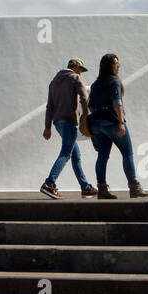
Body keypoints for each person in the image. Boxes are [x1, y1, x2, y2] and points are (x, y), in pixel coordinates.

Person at [88, 53, 148, 199]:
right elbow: (117, 103)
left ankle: (102, 189)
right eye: (116, 63)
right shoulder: (114, 81)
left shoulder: (95, 84)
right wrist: (121, 122)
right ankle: (134, 187)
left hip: (97, 124)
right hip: (112, 122)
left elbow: (90, 105)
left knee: (102, 156)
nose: (119, 65)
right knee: (127, 153)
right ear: (110, 66)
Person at [41, 58, 96, 199]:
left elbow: (49, 107)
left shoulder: (53, 82)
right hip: (70, 121)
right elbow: (85, 98)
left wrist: (47, 127)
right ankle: (49, 183)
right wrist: (87, 118)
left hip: (58, 123)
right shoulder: (75, 78)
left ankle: (85, 187)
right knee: (65, 154)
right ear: (75, 67)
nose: (81, 73)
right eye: (81, 69)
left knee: (75, 155)